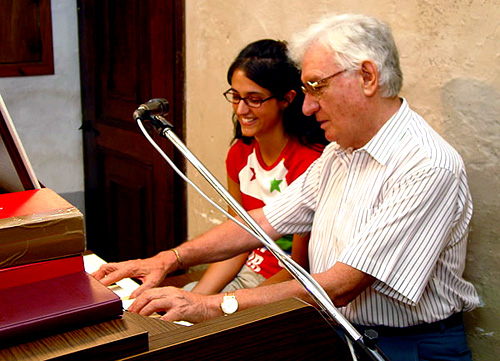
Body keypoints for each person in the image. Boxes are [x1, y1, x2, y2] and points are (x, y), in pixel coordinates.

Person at [93, 14, 480, 360]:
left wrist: (215, 305)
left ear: (367, 77)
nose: (308, 108)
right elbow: (260, 221)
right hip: (340, 329)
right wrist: (170, 258)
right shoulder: (341, 153)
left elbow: (343, 284)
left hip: (408, 346)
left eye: (316, 87)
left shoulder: (427, 166)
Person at [184, 39, 326, 295]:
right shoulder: (239, 154)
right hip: (244, 275)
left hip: (283, 289)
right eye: (236, 97)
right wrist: (196, 300)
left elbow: (300, 266)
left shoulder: (309, 164)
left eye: (254, 99)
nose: (241, 109)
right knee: (180, 304)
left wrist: (232, 305)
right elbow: (235, 242)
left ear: (286, 99)